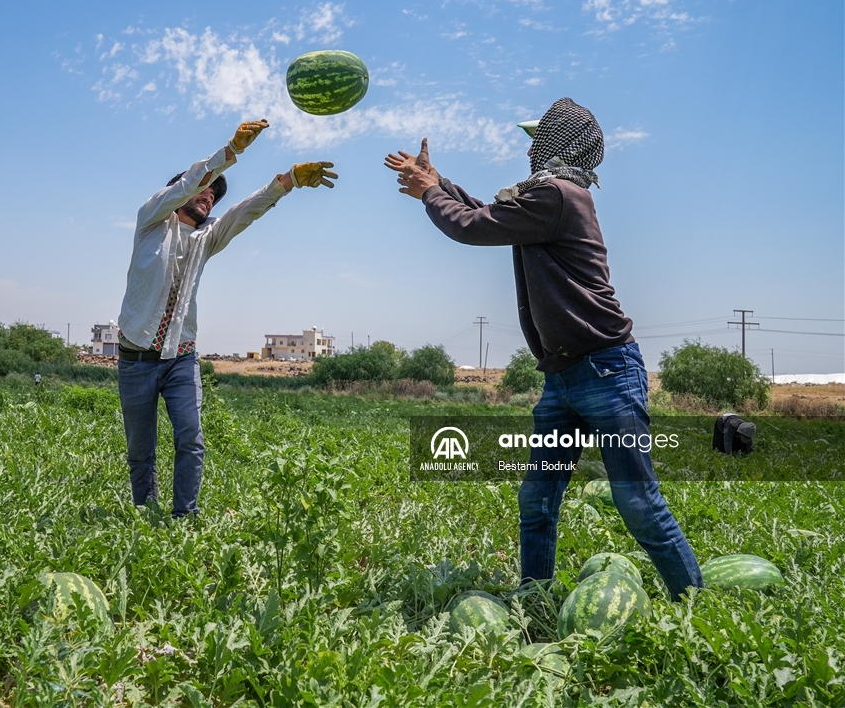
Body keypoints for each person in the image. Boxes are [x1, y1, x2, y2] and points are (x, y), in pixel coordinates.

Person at [384, 98, 703, 600]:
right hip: (564, 379)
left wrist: (430, 194)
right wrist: (439, 183)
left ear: (561, 143)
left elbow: (473, 226)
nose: (532, 148)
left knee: (640, 504)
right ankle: (534, 601)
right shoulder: (548, 197)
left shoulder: (557, 195)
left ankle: (697, 610)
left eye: (539, 138)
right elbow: (489, 214)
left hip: (605, 372)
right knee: (537, 501)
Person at [117, 119, 336, 517]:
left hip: (181, 358)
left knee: (191, 439)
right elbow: (186, 185)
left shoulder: (207, 237)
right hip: (136, 360)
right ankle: (145, 517)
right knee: (140, 450)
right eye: (205, 188)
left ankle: (185, 517)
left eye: (214, 195)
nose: (210, 197)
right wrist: (229, 151)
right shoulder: (151, 221)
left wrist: (287, 181)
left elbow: (244, 212)